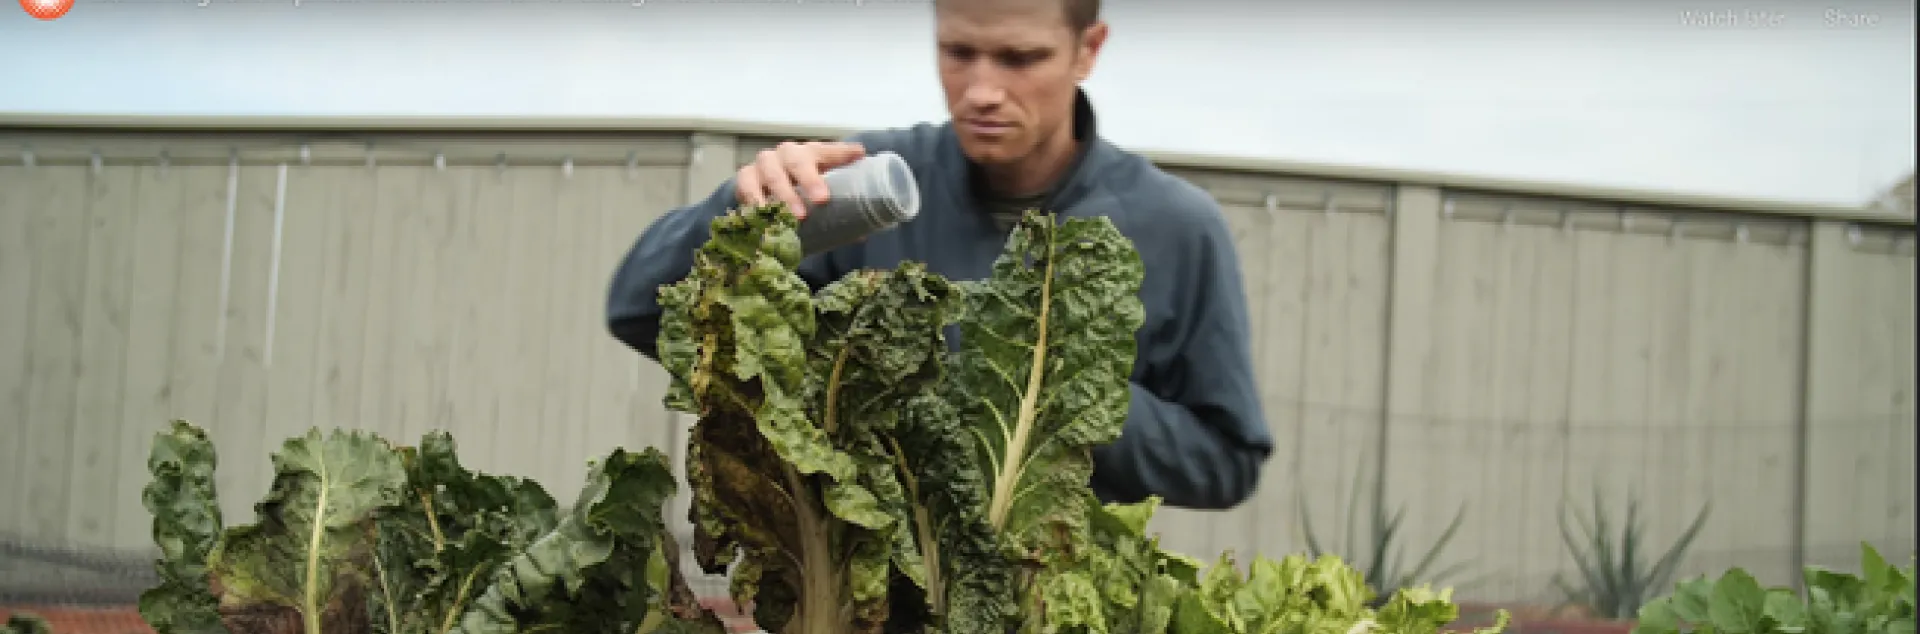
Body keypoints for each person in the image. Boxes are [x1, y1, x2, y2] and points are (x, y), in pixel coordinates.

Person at [606, 0, 1272, 511]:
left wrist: (1046, 387)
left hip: (1052, 600)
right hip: (853, 605)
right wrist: (738, 214)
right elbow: (641, 311)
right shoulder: (863, 189)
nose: (981, 89)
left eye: (1019, 58)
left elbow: (1226, 461)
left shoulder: (1178, 228)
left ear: (1087, 50)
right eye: (958, 51)